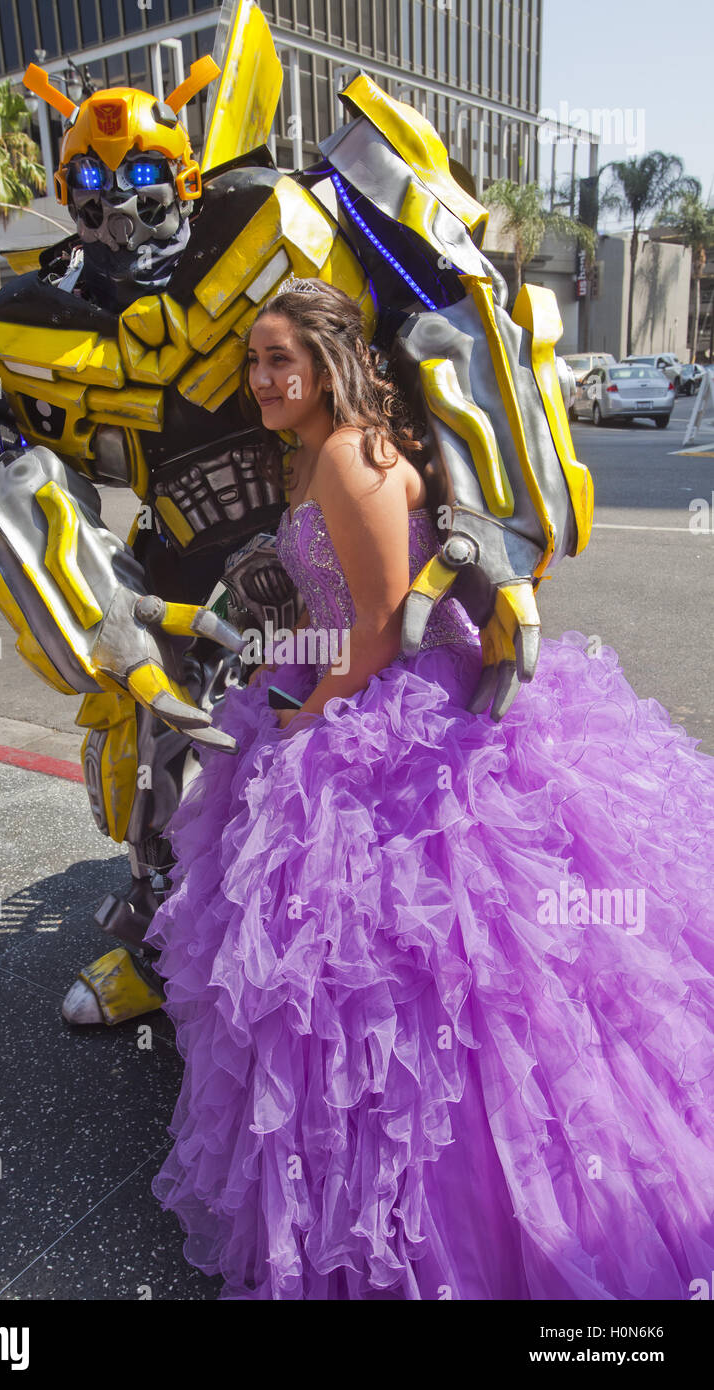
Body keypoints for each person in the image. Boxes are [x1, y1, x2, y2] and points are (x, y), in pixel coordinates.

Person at [143, 280, 714, 1300]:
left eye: (282, 360)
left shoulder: (350, 456)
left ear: (325, 363)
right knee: (367, 976)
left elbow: (373, 621)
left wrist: (303, 712)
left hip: (395, 710)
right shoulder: (323, 448)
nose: (264, 379)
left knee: (429, 966)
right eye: (254, 363)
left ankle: (461, 1218)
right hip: (361, 676)